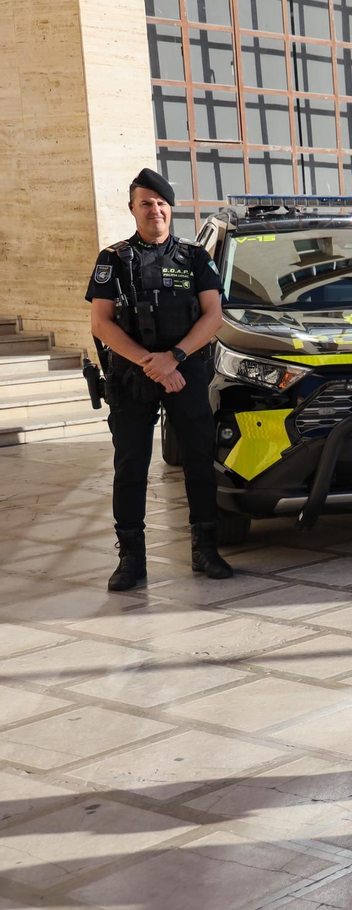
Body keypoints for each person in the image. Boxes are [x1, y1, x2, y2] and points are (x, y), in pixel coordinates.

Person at [87, 168, 233, 592]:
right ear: (133, 209)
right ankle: (131, 559)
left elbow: (214, 315)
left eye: (162, 203)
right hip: (133, 372)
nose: (155, 210)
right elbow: (101, 322)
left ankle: (205, 548)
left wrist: (175, 358)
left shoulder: (194, 257)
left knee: (199, 460)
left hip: (184, 368)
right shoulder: (113, 259)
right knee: (130, 464)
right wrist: (151, 363)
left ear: (172, 209)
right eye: (146, 203)